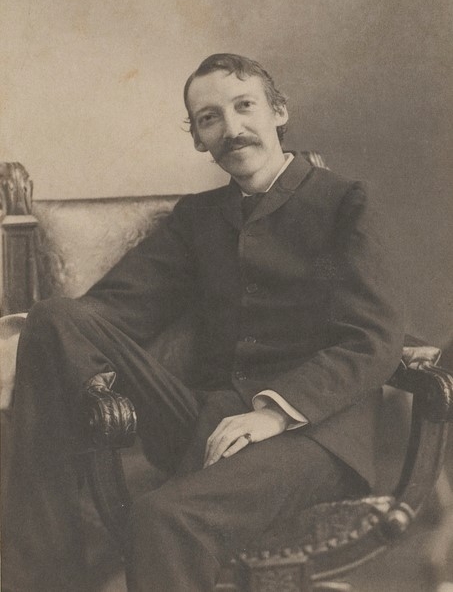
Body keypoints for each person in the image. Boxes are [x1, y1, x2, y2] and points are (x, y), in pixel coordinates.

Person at [3, 53, 404, 592]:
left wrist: (274, 413)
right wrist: (20, 344)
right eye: (210, 118)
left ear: (279, 111)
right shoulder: (197, 217)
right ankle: (41, 577)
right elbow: (109, 313)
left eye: (244, 107)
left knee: (162, 518)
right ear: (197, 138)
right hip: (204, 415)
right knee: (54, 319)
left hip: (315, 435)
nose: (232, 129)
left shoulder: (346, 202)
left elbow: (372, 339)